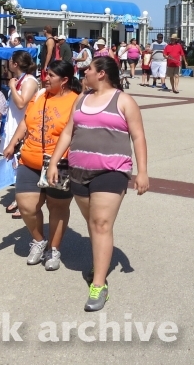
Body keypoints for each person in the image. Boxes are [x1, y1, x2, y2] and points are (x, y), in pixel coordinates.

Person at [47, 56, 149, 311]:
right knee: (93, 223)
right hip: (78, 170)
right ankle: (100, 261)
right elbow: (68, 132)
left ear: (101, 73)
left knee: (102, 223)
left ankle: (99, 284)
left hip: (112, 171)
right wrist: (53, 162)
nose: (85, 72)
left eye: (89, 69)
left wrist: (143, 172)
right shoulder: (81, 99)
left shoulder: (124, 101)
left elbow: (138, 137)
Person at [2, 60, 78, 271]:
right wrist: (12, 143)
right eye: (46, 74)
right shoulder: (39, 96)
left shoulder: (75, 100)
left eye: (51, 75)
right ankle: (38, 240)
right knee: (26, 206)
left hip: (60, 163)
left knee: (57, 207)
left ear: (64, 80)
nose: (46, 78)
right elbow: (26, 122)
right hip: (29, 160)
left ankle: (54, 248)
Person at [3, 51, 40, 219]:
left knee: (23, 166)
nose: (8, 63)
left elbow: (21, 103)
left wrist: (11, 86)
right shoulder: (19, 80)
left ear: (16, 64)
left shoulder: (29, 81)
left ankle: (26, 202)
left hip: (24, 127)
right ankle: (19, 198)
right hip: (12, 126)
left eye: (10, 60)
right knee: (15, 166)